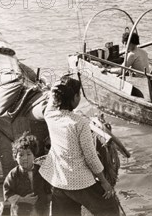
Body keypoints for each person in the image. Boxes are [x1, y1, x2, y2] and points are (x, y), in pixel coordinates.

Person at [39, 76, 119, 216]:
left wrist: (57, 87)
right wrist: (104, 182)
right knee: (110, 208)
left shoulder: (50, 114)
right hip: (79, 181)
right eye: (79, 94)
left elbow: (53, 96)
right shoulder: (79, 122)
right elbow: (90, 157)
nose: (80, 97)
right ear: (75, 97)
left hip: (58, 180)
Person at [4, 132, 51, 216]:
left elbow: (48, 190)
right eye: (21, 155)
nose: (25, 158)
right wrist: (23, 199)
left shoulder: (42, 170)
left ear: (34, 156)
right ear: (15, 157)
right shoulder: (13, 174)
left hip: (41, 211)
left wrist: (45, 201)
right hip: (21, 212)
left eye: (29, 154)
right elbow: (7, 194)